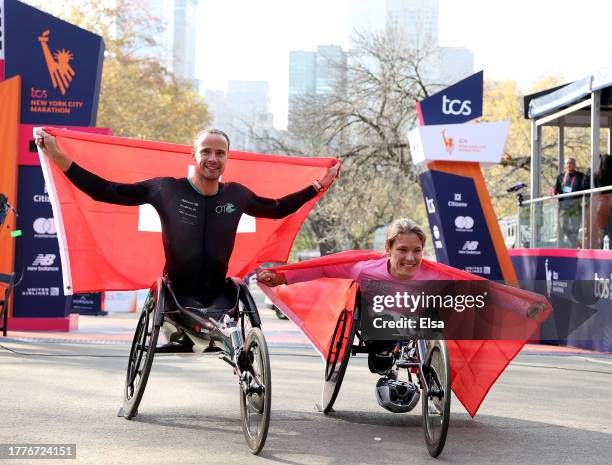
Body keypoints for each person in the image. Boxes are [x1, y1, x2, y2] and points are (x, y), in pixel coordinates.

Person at [35, 128, 340, 306]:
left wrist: (318, 185)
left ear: (227, 158)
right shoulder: (165, 189)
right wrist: (59, 158)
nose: (212, 159)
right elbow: (105, 191)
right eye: (206, 151)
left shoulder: (237, 195)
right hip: (175, 293)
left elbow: (277, 208)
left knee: (243, 299)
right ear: (192, 154)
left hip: (220, 293)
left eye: (220, 153)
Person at [258, 218, 441, 411]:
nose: (410, 258)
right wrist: (283, 277)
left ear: (423, 250)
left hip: (414, 323)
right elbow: (323, 268)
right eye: (403, 250)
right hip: (377, 327)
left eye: (417, 250)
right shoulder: (366, 269)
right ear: (388, 248)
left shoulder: (433, 275)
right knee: (383, 343)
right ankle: (385, 356)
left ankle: (428, 370)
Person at [553, 157, 585, 247]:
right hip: (563, 206)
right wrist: (553, 191)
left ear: (574, 165)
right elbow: (557, 188)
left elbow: (585, 188)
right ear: (565, 166)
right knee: (563, 226)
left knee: (575, 229)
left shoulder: (580, 176)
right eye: (567, 163)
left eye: (570, 163)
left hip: (576, 206)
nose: (569, 165)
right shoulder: (560, 176)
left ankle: (573, 248)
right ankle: (576, 242)